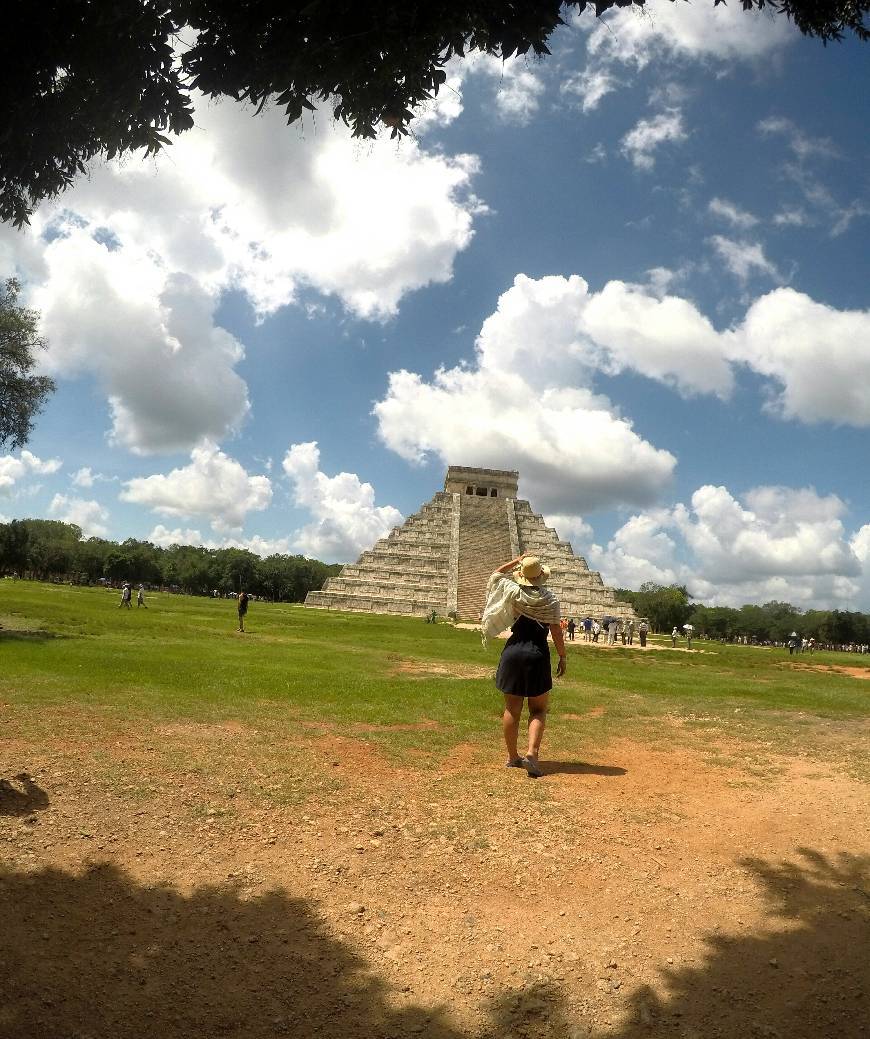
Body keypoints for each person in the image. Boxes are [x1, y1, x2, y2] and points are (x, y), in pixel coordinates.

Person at [481, 554, 565, 779]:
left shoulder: (513, 592)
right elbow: (556, 631)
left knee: (511, 709)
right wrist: (563, 656)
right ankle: (532, 754)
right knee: (538, 709)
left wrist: (515, 560)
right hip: (537, 654)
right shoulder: (551, 600)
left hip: (513, 653)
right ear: (541, 576)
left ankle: (512, 757)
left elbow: (496, 575)